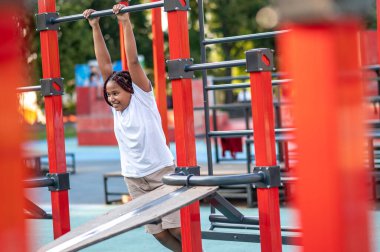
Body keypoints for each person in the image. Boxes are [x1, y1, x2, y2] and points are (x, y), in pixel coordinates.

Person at [83, 4, 182, 251]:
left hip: (162, 173)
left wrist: (125, 23)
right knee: (159, 233)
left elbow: (134, 61)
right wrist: (95, 27)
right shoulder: (116, 108)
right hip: (134, 179)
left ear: (130, 89)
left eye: (116, 93)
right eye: (108, 95)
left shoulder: (142, 97)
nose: (112, 98)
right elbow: (104, 64)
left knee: (177, 228)